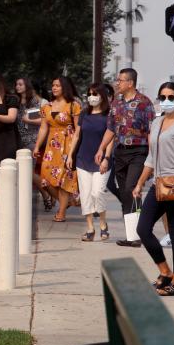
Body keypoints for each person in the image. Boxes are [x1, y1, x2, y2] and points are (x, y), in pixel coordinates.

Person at [94, 68, 155, 247]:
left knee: (131, 188)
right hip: (120, 152)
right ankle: (132, 236)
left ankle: (140, 232)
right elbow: (111, 129)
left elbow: (151, 130)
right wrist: (101, 149)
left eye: (120, 80)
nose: (117, 83)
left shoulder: (145, 103)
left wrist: (153, 155)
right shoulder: (116, 103)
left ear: (130, 83)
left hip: (139, 152)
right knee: (124, 192)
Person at [132, 82, 174, 295]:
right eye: (163, 97)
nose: (167, 101)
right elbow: (151, 157)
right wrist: (140, 182)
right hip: (158, 184)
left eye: (171, 97)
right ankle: (165, 271)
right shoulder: (157, 122)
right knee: (142, 229)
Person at [67, 83, 113, 242]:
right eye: (89, 94)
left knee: (97, 192)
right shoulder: (84, 113)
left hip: (101, 161)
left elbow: (111, 138)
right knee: (85, 195)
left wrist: (106, 158)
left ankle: (102, 224)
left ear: (102, 96)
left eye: (95, 94)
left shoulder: (109, 114)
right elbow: (77, 135)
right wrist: (70, 155)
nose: (92, 97)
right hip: (82, 159)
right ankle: (90, 229)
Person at [33, 76, 81, 222]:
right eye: (53, 85)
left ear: (65, 87)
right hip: (51, 146)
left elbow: (78, 129)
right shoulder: (46, 107)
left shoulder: (73, 105)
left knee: (64, 179)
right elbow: (43, 128)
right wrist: (37, 146)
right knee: (45, 178)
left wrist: (74, 150)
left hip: (68, 144)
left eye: (58, 86)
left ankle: (61, 212)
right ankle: (68, 202)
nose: (54, 88)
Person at [15, 77, 52, 210]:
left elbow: (46, 121)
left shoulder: (39, 101)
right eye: (16, 84)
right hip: (22, 140)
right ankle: (46, 194)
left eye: (20, 84)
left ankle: (49, 193)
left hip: (35, 139)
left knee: (27, 171)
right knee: (27, 171)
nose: (17, 87)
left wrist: (29, 120)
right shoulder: (17, 101)